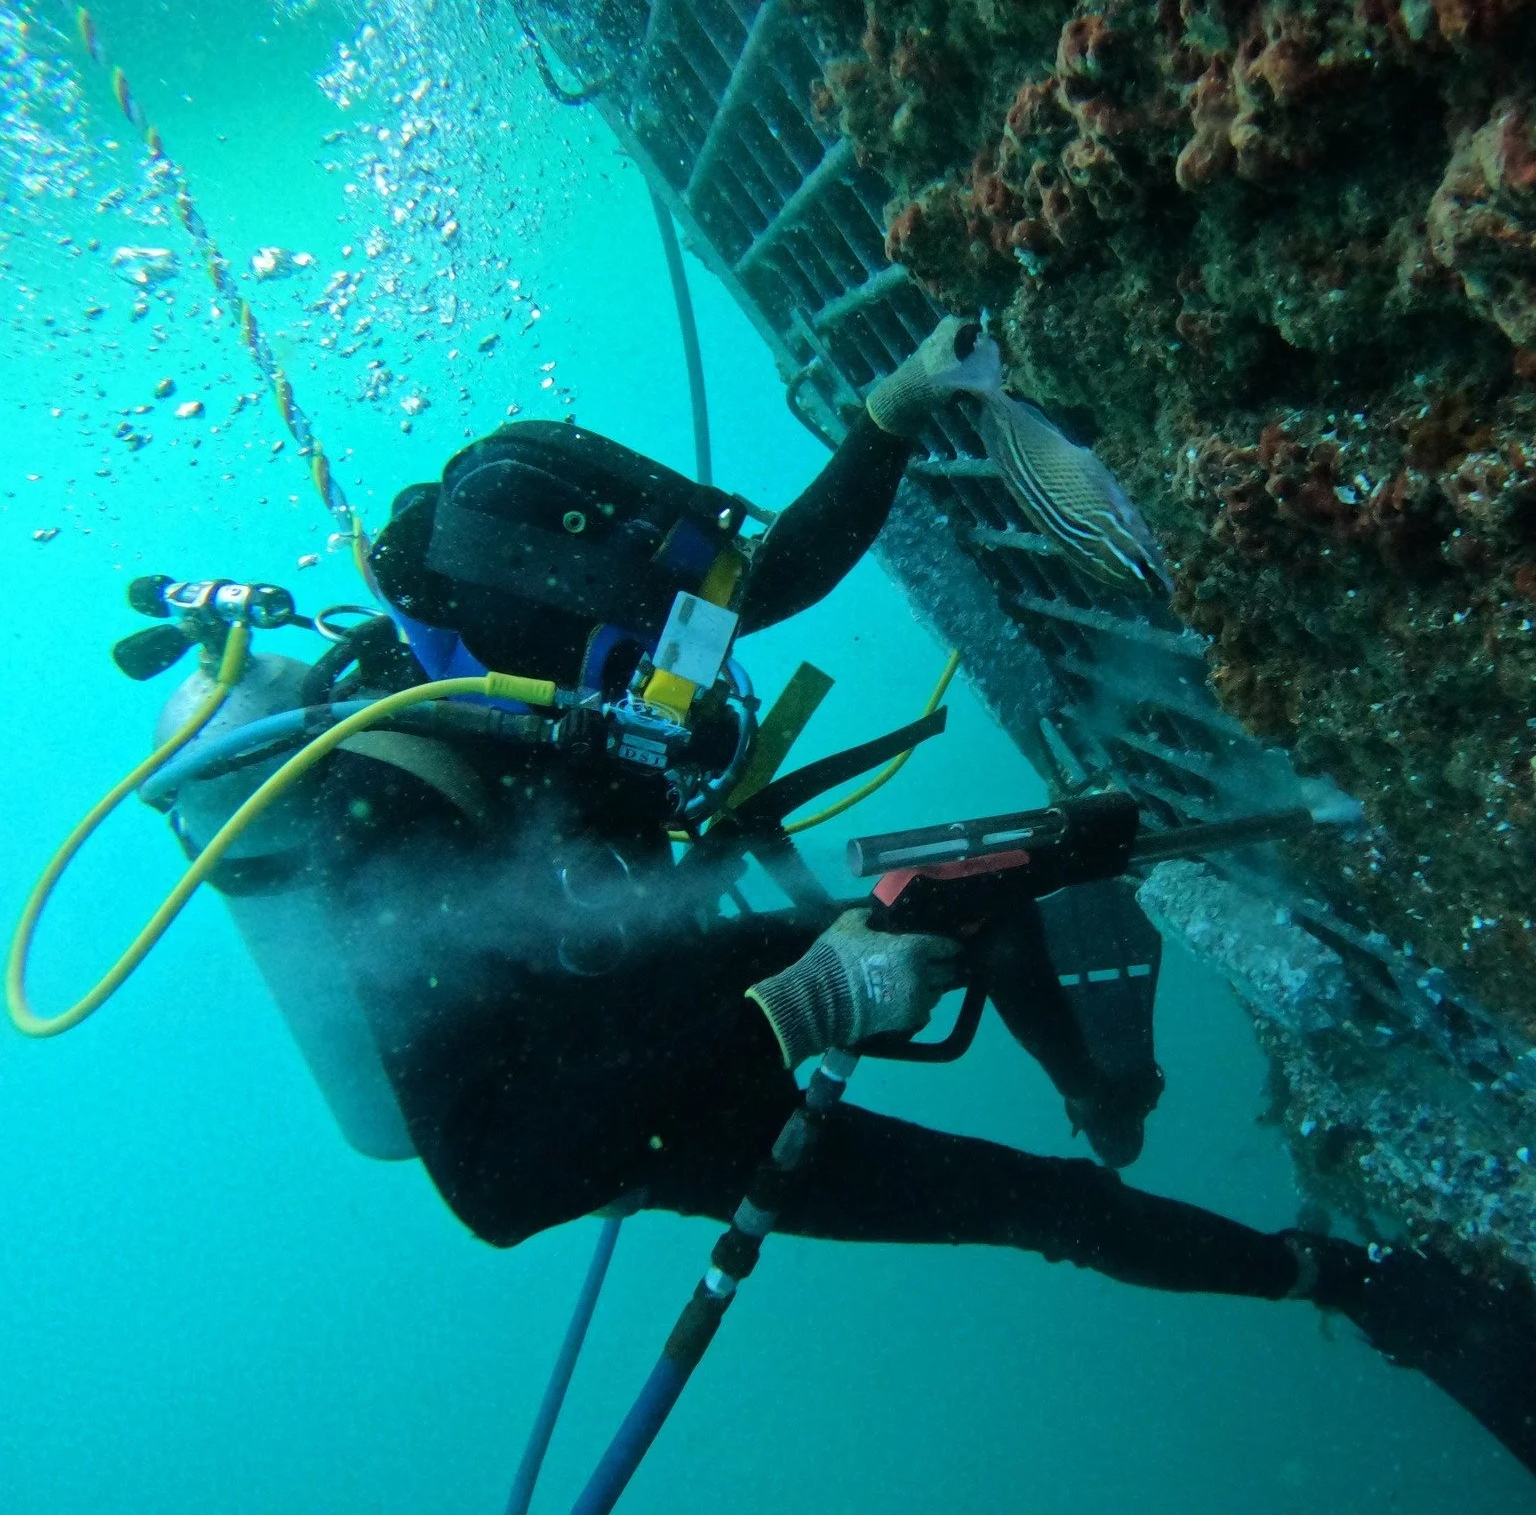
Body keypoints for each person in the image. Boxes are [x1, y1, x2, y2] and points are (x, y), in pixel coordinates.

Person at [308, 318, 1533, 1474]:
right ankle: (1352, 1286)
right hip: (603, 1098)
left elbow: (768, 576)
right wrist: (808, 1005)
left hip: (642, 963)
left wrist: (892, 414)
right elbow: (497, 1182)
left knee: (957, 893)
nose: (679, 687)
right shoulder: (387, 826)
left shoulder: (559, 632)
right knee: (1027, 1201)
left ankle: (1101, 1092)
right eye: (640, 665)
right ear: (532, 651)